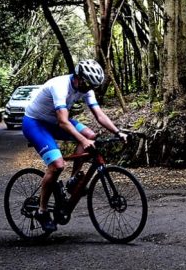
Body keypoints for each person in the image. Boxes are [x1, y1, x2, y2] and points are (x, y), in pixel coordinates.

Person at [21, 59, 127, 232]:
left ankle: (73, 180)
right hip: (35, 123)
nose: (87, 88)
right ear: (78, 76)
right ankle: (42, 211)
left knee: (90, 135)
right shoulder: (60, 86)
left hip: (54, 121)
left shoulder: (86, 87)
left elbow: (99, 115)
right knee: (57, 165)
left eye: (91, 86)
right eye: (86, 84)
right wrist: (83, 142)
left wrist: (118, 132)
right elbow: (63, 122)